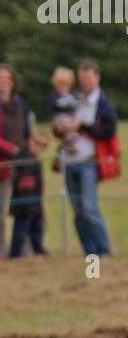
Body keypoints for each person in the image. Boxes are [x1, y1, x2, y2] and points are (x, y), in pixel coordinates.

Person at [0, 64, 44, 261]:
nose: (4, 82)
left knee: (24, 206)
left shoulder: (21, 103)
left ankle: (23, 246)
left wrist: (33, 146)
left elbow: (28, 130)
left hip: (22, 163)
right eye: (0, 78)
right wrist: (8, 149)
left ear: (13, 82)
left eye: (8, 78)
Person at [53, 60, 117, 258]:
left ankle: (103, 250)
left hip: (89, 162)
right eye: (82, 78)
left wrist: (80, 127)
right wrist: (61, 128)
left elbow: (108, 131)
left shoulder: (103, 104)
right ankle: (89, 252)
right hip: (70, 161)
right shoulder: (75, 101)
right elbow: (62, 125)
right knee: (78, 211)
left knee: (89, 208)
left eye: (89, 77)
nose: (86, 81)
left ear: (97, 77)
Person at [8, 155, 46, 258]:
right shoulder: (22, 159)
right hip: (22, 204)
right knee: (21, 229)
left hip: (35, 203)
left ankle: (38, 251)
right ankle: (15, 254)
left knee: (37, 227)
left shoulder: (36, 162)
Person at [49, 66, 80, 169]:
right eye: (60, 84)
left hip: (71, 120)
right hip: (59, 119)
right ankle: (60, 153)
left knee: (72, 133)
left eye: (66, 84)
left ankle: (65, 149)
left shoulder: (73, 94)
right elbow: (53, 106)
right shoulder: (54, 95)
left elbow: (77, 105)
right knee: (66, 127)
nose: (63, 87)